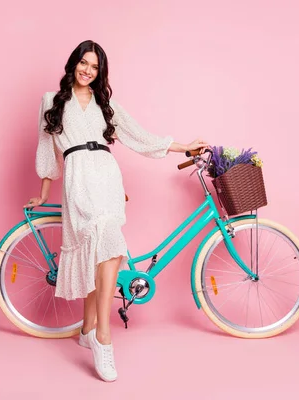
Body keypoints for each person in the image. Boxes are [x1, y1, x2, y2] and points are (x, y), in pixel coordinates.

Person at [24, 40, 209, 382]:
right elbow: (46, 148)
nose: (87, 71)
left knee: (105, 249)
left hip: (107, 176)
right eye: (83, 63)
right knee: (102, 243)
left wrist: (183, 145)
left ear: (99, 73)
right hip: (78, 178)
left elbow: (141, 137)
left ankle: (89, 330)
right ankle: (102, 337)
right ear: (73, 64)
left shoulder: (105, 105)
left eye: (94, 67)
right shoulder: (52, 101)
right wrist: (43, 193)